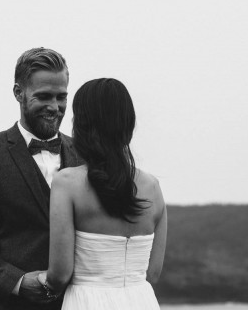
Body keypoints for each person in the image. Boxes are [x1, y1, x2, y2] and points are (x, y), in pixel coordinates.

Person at [0, 48, 83, 310]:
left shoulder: (86, 155)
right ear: (18, 93)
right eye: (43, 97)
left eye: (61, 97)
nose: (54, 107)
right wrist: (15, 282)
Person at [38, 78, 167, 310]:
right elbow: (154, 273)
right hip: (142, 301)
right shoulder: (153, 187)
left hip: (86, 302)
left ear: (83, 124)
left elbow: (60, 274)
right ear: (128, 124)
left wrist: (35, 281)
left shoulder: (67, 183)